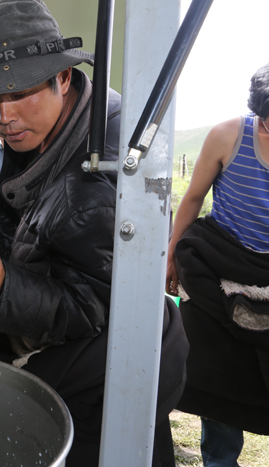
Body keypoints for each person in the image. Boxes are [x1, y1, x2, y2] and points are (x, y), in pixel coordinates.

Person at [0, 1, 188, 466]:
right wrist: (1, 206)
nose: (5, 117)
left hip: (105, 378)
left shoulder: (98, 178)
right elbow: (57, 225)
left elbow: (92, 306)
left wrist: (4, 291)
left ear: (62, 77)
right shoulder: (70, 117)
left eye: (19, 93)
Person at [166, 63, 269, 467]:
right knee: (221, 373)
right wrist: (173, 254)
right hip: (221, 269)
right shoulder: (230, 135)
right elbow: (192, 199)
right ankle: (219, 462)